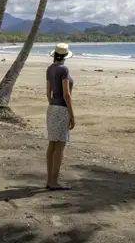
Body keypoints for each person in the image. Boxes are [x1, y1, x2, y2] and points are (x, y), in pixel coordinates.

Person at [46, 43, 74, 190]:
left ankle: (50, 179)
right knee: (60, 146)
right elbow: (66, 94)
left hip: (51, 108)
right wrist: (71, 114)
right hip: (61, 109)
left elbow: (48, 93)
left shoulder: (50, 69)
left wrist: (53, 105)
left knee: (52, 145)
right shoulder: (64, 69)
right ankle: (54, 181)